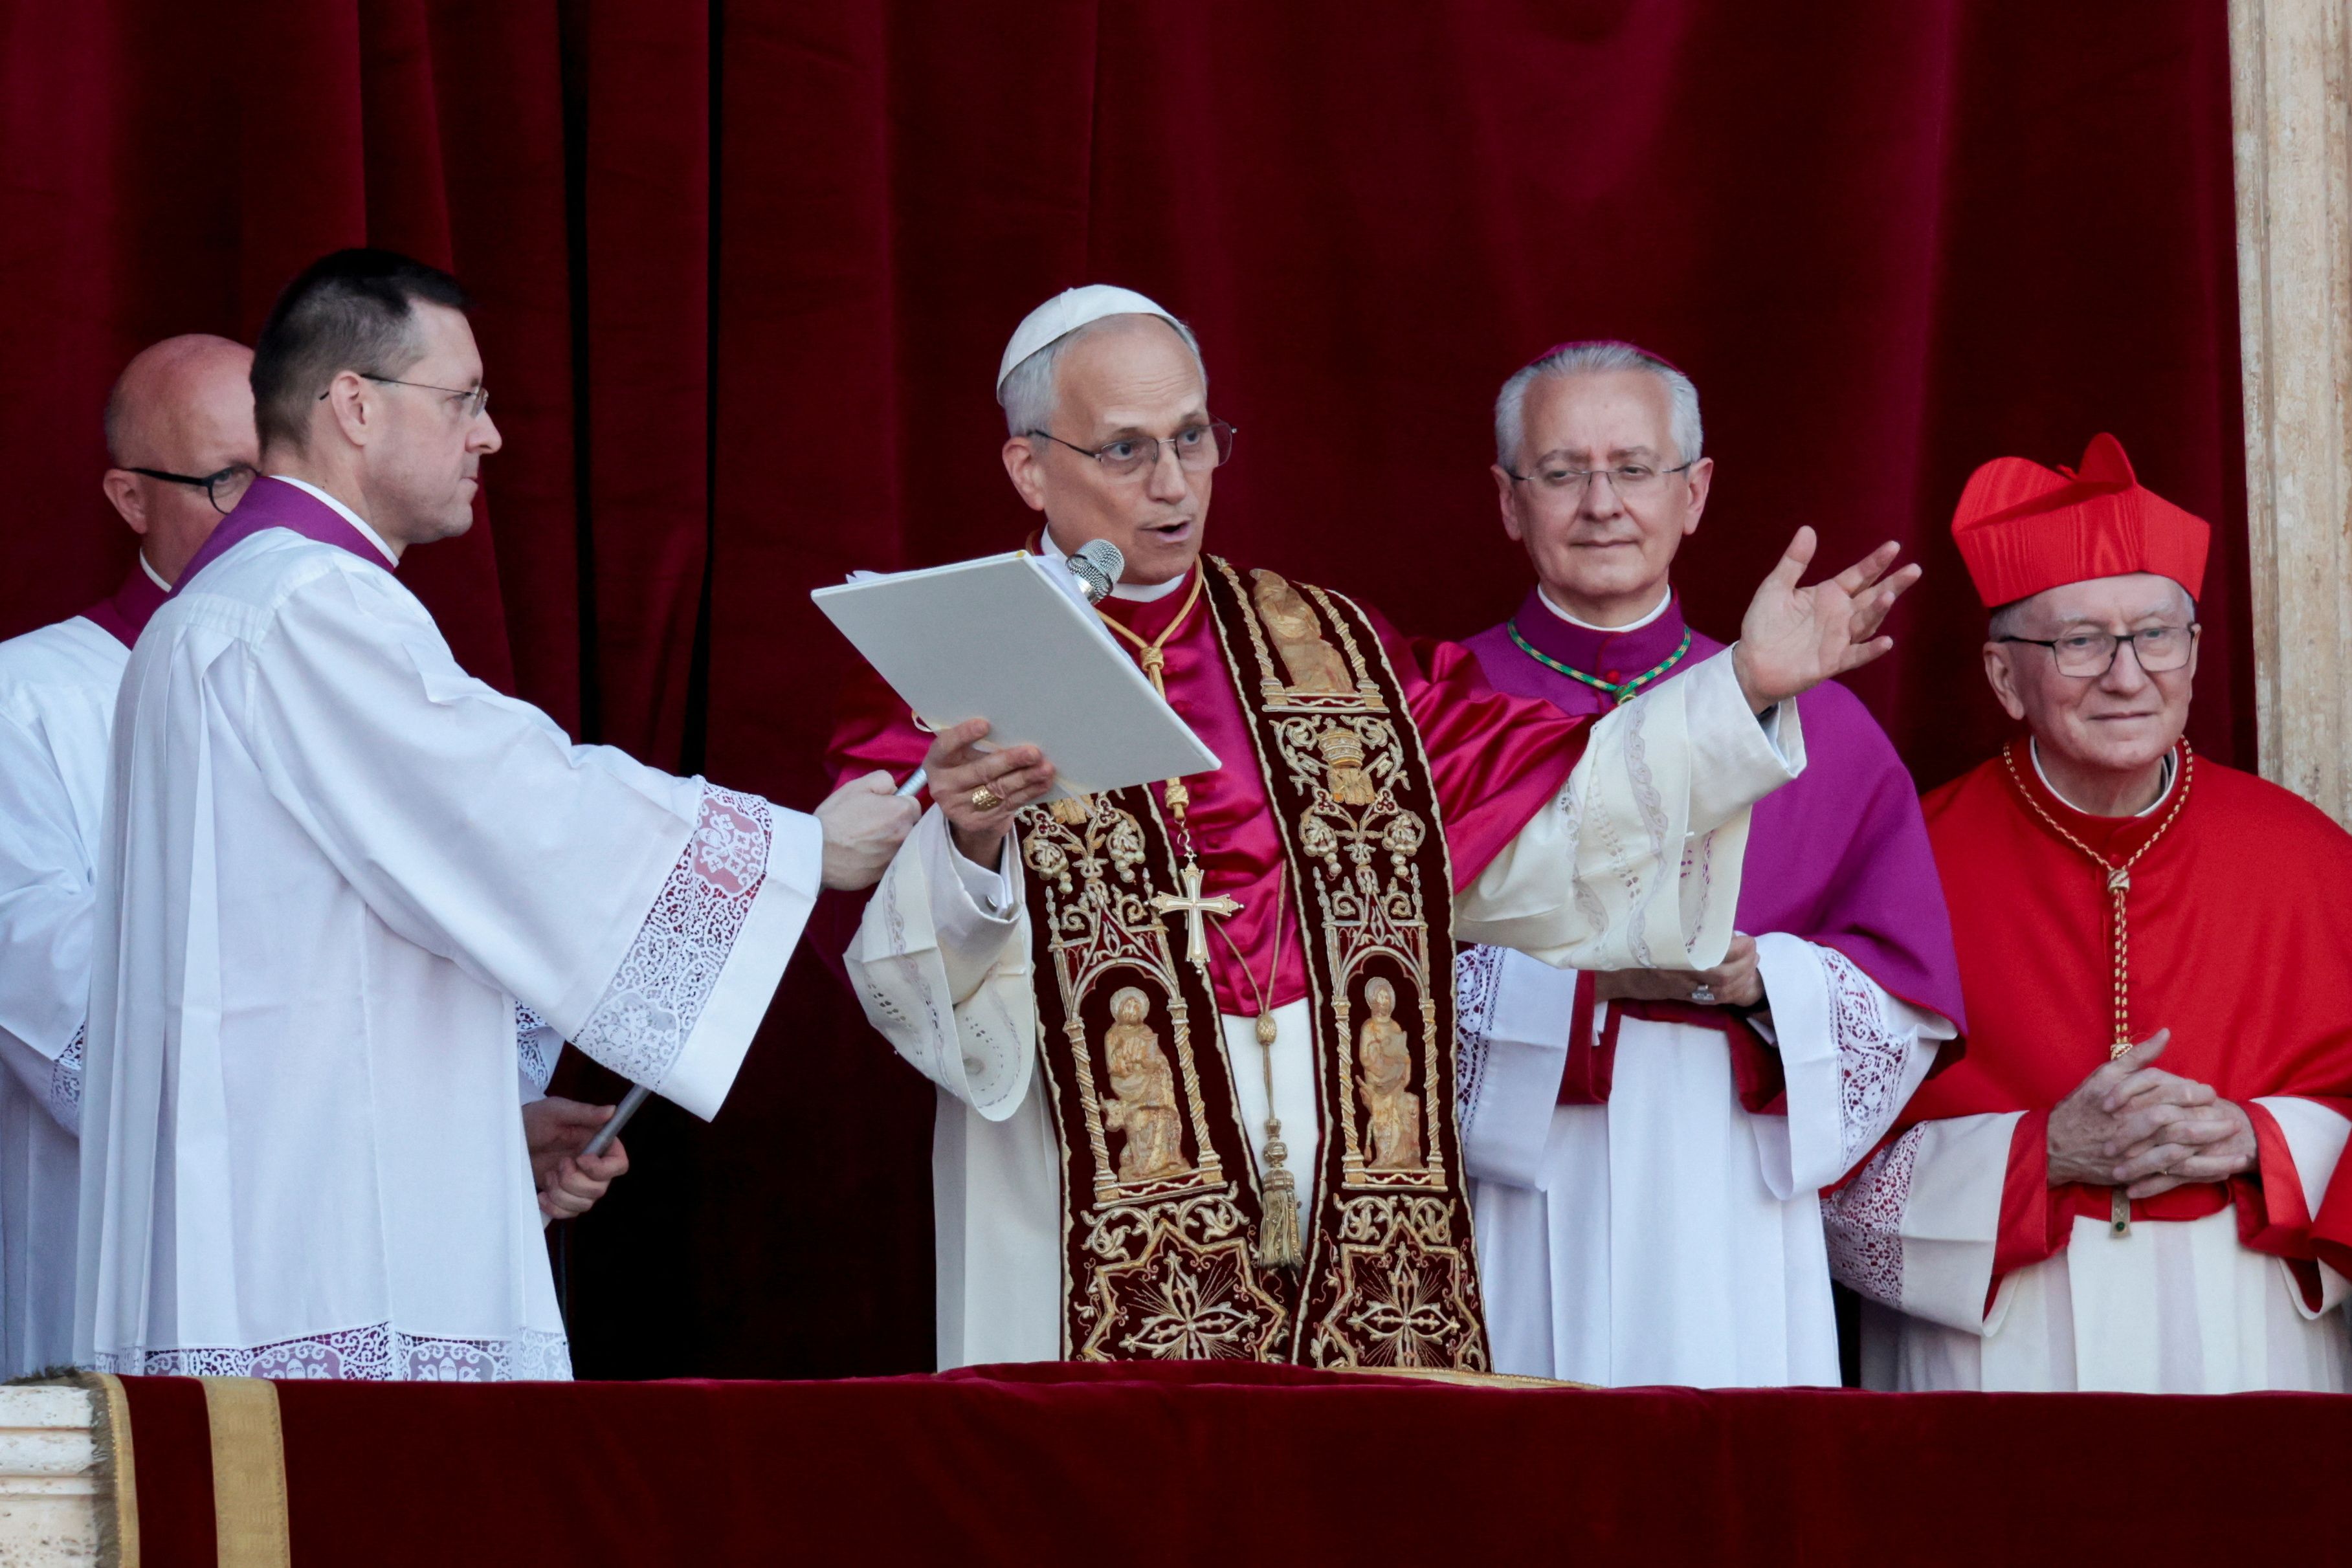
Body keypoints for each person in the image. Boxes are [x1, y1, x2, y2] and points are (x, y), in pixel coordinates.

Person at [830, 285, 1920, 1369]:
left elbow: (1540, 824)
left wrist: (1739, 686)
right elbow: (908, 971)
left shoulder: (1332, 652)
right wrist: (968, 844)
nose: (1172, 485)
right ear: (1030, 465)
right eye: (1123, 451)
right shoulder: (959, 662)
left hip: (1352, 1226)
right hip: (1081, 1213)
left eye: (1193, 438)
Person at [76, 250, 917, 1381]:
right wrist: (804, 850)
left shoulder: (222, 608)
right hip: (324, 1250)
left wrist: (487, 1127)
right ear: (355, 406)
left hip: (279, 1193)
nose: (490, 435)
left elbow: (345, 930)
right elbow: (514, 809)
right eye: (463, 399)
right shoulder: (308, 605)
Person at [1452, 341, 1964, 1387]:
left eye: (1634, 469)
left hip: (1724, 1182)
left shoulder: (1823, 727)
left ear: (1694, 494)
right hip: (1506, 1179)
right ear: (1508, 502)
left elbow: (1907, 999)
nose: (1602, 503)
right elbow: (1354, 974)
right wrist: (1571, 985)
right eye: (1561, 472)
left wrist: (1763, 978)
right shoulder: (1437, 711)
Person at [1825, 433, 2352, 1391]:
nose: (2125, 674)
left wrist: (2260, 1141)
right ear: (2001, 678)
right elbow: (1806, 1174)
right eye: (2078, 641)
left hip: (2251, 1337)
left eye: (2155, 634)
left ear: (2191, 654)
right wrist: (2041, 1153)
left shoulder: (2311, 861)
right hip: (1992, 1346)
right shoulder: (1900, 866)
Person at [0, 336, 252, 1376]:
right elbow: (52, 981)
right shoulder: (31, 697)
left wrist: (492, 1121)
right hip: (134, 1252)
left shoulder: (376, 689)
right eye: (227, 482)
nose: (269, 520)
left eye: (284, 477)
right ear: (130, 498)